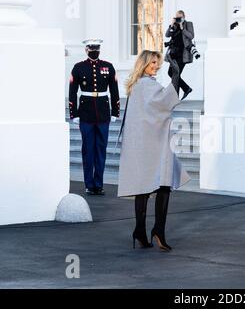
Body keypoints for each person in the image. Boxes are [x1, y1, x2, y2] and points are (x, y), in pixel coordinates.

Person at [118, 51, 190, 251]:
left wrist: (175, 77)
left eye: (157, 63)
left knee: (145, 187)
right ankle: (157, 230)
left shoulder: (137, 86)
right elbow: (164, 103)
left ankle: (140, 231)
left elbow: (159, 105)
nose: (156, 66)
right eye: (152, 63)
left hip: (143, 143)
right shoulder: (146, 85)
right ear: (143, 64)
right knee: (163, 185)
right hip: (152, 143)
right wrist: (176, 76)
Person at [69, 39, 120, 196]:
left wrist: (115, 112)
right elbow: (72, 91)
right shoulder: (78, 67)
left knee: (100, 150)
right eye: (91, 48)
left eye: (96, 48)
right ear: (86, 49)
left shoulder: (108, 66)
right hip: (86, 113)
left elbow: (114, 90)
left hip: (103, 112)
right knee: (88, 150)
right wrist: (74, 113)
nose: (94, 50)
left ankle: (99, 184)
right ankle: (89, 184)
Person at [165, 10, 195, 100]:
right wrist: (171, 24)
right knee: (171, 73)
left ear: (184, 17)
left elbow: (191, 36)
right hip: (173, 54)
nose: (178, 19)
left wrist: (182, 28)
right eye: (177, 17)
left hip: (183, 55)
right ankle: (186, 89)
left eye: (180, 18)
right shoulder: (174, 25)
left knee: (175, 74)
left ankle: (175, 97)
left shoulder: (188, 24)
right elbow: (167, 35)